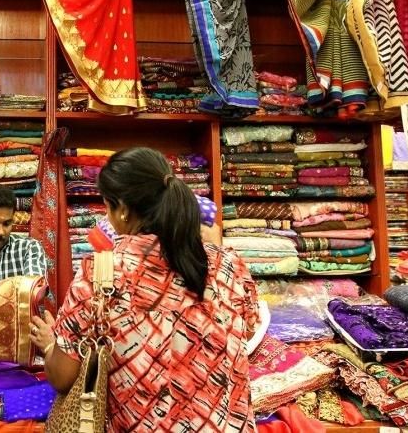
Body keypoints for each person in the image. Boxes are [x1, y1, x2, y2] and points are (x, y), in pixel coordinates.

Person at [30, 147, 257, 432]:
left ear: (122, 209)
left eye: (107, 207)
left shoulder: (101, 273)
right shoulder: (228, 263)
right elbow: (248, 329)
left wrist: (50, 344)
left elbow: (64, 376)